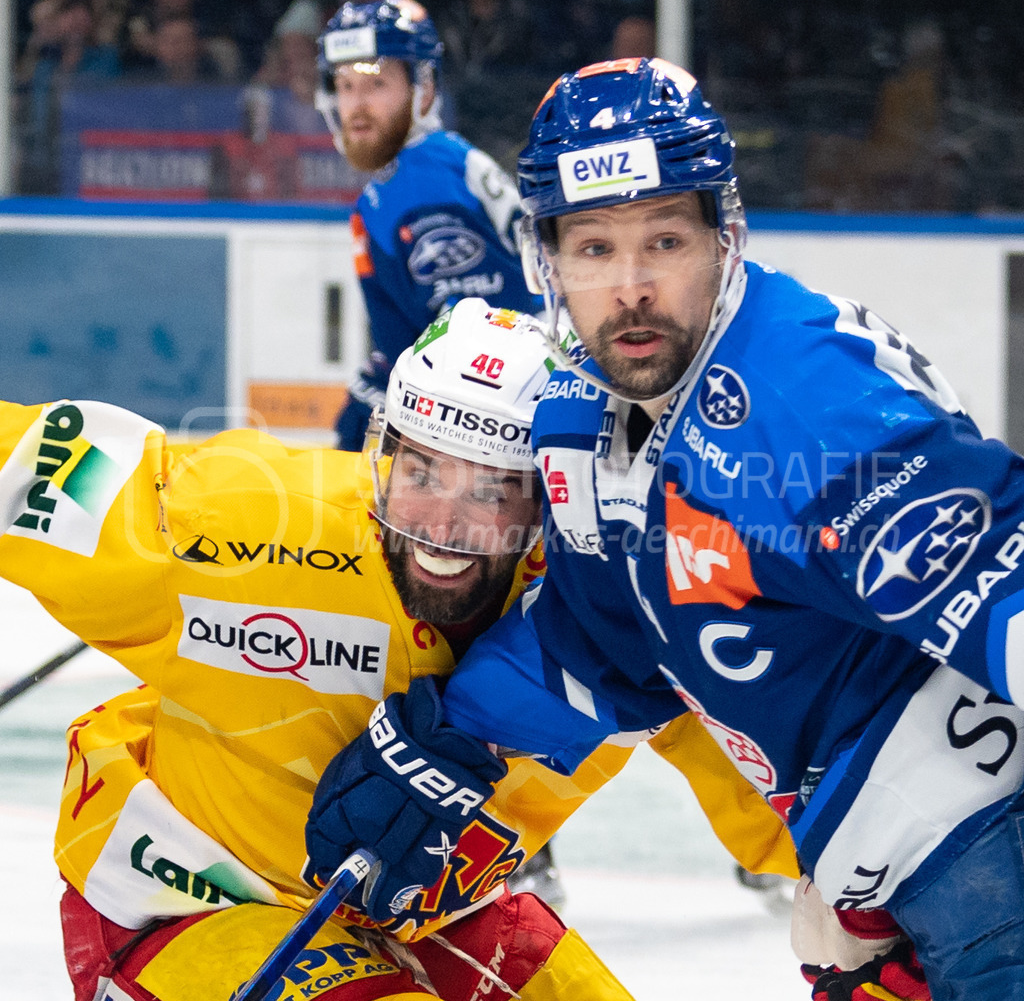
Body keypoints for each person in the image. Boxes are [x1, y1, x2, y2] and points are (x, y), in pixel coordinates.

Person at [295, 58, 1024, 1000]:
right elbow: (604, 640)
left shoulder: (806, 406)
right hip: (891, 879)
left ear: (726, 237)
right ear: (546, 261)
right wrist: (448, 740)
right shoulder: (573, 415)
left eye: (665, 241)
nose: (631, 287)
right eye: (594, 249)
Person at [2, 299, 795, 1001]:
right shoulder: (242, 520)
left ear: (552, 495)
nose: (442, 525)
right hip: (190, 901)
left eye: (490, 487)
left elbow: (791, 785)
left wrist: (890, 905)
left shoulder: (616, 607)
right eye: (421, 469)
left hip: (427, 912)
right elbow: (20, 462)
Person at [314, 0, 539, 453]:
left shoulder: (426, 185)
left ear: (425, 89)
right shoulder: (416, 176)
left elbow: (475, 355)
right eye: (345, 85)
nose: (356, 105)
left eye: (375, 85)